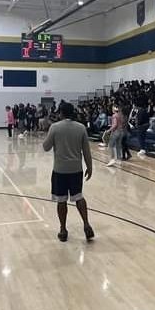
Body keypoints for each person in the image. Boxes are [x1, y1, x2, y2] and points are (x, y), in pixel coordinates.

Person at [42, 102, 95, 242]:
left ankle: (63, 230)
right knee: (79, 197)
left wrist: (48, 131)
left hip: (60, 170)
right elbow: (86, 151)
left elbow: (46, 147)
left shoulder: (55, 127)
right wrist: (90, 167)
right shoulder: (81, 127)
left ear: (60, 113)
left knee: (61, 201)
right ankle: (86, 224)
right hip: (76, 169)